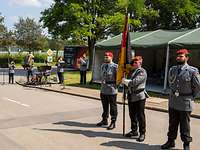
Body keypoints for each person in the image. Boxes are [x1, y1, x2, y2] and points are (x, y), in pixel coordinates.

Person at [161, 49, 200, 150]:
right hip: (173, 101)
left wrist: (190, 96)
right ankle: (170, 141)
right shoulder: (172, 69)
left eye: (181, 56)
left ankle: (186, 144)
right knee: (172, 123)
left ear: (187, 57)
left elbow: (197, 86)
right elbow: (171, 83)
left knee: (185, 125)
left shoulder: (193, 71)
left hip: (185, 101)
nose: (178, 58)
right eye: (177, 56)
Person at [122, 56, 148, 142]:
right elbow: (127, 85)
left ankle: (142, 133)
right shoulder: (130, 72)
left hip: (139, 96)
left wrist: (125, 81)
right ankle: (134, 131)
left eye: (136, 62)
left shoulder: (142, 71)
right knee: (132, 115)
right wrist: (124, 94)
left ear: (140, 63)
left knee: (140, 116)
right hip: (131, 95)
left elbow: (135, 82)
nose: (134, 64)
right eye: (133, 62)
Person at [96, 51, 118, 130]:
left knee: (112, 107)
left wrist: (115, 86)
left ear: (111, 57)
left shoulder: (115, 67)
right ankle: (104, 120)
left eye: (107, 57)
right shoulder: (103, 65)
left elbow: (118, 80)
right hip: (103, 89)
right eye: (105, 57)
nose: (105, 58)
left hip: (111, 89)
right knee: (105, 106)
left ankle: (113, 121)